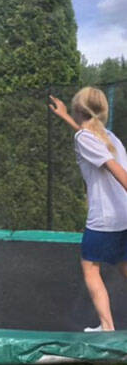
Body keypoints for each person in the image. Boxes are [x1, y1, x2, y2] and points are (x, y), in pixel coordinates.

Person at [49, 88, 127, 332]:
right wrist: (65, 117)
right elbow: (88, 138)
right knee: (124, 263)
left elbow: (116, 169)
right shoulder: (109, 137)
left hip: (105, 218)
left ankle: (107, 326)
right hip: (123, 215)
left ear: (78, 109)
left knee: (90, 267)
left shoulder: (86, 138)